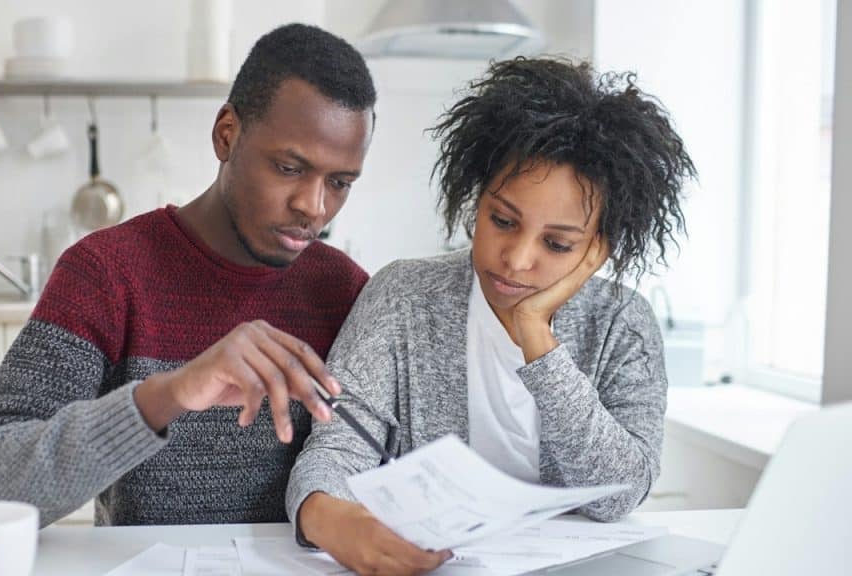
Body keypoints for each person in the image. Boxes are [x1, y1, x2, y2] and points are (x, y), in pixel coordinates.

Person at [0, 23, 377, 528]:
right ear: (227, 134)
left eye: (340, 182)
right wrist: (168, 395)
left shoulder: (346, 291)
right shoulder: (106, 273)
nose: (314, 205)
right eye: (288, 168)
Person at [287, 57, 696, 575]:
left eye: (557, 243)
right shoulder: (404, 295)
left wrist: (536, 337)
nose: (517, 258)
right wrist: (325, 517)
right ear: (476, 200)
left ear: (598, 249)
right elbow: (339, 443)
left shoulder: (623, 324)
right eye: (502, 220)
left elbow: (618, 494)